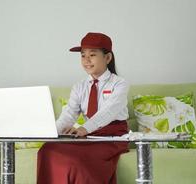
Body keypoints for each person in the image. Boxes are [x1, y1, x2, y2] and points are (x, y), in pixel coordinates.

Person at [36, 32, 130, 184]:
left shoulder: (119, 84)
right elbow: (68, 115)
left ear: (107, 58)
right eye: (82, 55)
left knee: (78, 159)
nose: (86, 60)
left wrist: (84, 129)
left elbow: (109, 111)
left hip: (112, 138)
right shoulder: (79, 87)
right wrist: (50, 132)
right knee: (48, 149)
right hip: (88, 137)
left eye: (92, 55)